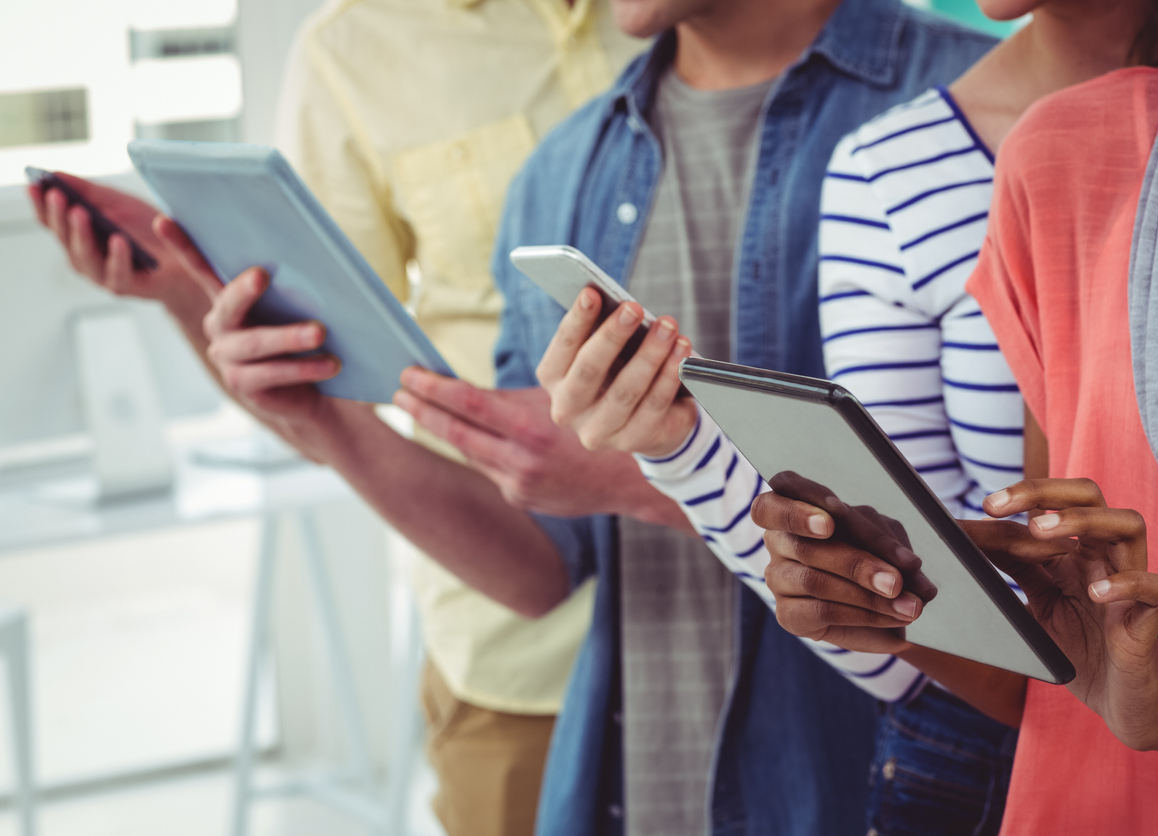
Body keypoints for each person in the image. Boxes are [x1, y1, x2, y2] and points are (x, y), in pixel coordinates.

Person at [533, 1, 1158, 832]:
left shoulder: (1122, 136)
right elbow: (953, 626)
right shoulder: (984, 162)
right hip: (1034, 765)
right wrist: (678, 448)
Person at [30, 2, 644, 835]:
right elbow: (321, 379)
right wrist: (184, 290)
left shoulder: (695, 21)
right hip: (521, 649)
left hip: (768, 620)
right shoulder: (352, 51)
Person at [388, 1, 995, 834]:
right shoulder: (559, 173)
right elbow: (543, 572)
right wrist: (316, 420)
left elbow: (1013, 582)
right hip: (635, 793)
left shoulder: (975, 112)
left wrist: (648, 470)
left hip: (870, 788)